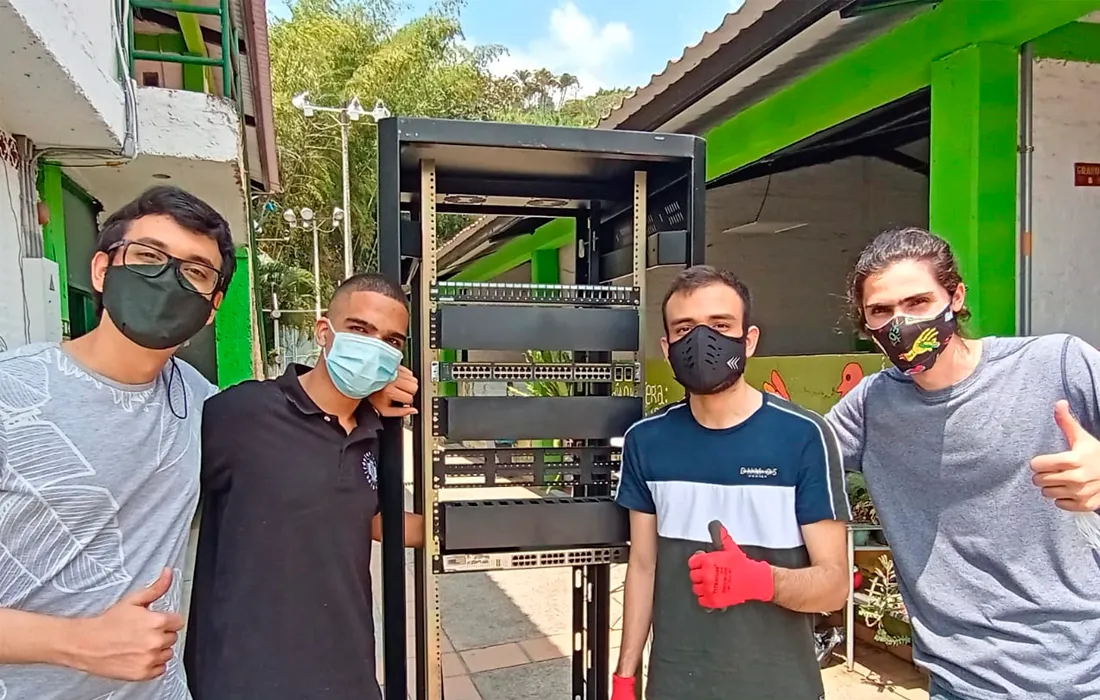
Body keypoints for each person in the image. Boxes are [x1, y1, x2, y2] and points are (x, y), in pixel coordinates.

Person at [825, 227, 1100, 700]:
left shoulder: (1058, 364)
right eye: (881, 311)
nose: (900, 323)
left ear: (955, 296)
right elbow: (787, 460)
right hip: (959, 683)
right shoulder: (871, 407)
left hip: (1082, 673)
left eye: (917, 303)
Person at [0, 186, 236, 699]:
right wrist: (74, 642)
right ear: (102, 271)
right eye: (149, 256)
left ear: (212, 307)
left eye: (194, 271)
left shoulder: (205, 406)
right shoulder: (10, 394)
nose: (167, 279)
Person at [612, 265, 850, 700]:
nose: (701, 342)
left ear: (749, 340)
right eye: (685, 329)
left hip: (780, 686)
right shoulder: (645, 442)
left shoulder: (804, 437)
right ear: (667, 347)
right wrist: (625, 675)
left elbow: (834, 587)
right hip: (674, 685)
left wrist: (761, 580)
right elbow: (644, 566)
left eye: (720, 325)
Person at [184, 273, 423, 700]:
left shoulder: (376, 431)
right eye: (360, 330)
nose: (375, 348)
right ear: (323, 331)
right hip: (246, 675)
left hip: (347, 671)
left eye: (391, 340)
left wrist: (479, 528)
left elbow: (364, 517)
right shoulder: (242, 414)